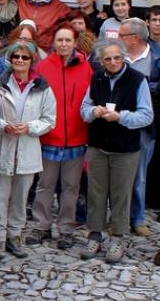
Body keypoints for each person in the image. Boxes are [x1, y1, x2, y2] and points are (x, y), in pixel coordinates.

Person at [79, 40, 153, 263]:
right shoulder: (97, 78)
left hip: (125, 147)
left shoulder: (137, 80)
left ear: (124, 58)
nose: (112, 62)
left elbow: (147, 115)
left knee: (121, 195)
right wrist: (94, 111)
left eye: (116, 57)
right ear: (101, 61)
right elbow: (84, 109)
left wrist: (121, 117)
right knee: (96, 192)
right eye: (107, 59)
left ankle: (118, 237)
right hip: (98, 145)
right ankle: (95, 234)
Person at [26, 24, 92, 249]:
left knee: (71, 187)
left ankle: (66, 228)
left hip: (76, 137)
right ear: (54, 42)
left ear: (75, 42)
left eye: (68, 40)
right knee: (45, 185)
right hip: (49, 137)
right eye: (60, 40)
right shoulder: (44, 67)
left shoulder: (86, 68)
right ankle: (41, 225)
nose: (63, 44)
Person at [0, 41, 56, 259]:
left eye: (24, 57)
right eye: (16, 56)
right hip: (3, 146)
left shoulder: (42, 88)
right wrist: (3, 126)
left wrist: (29, 127)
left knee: (20, 197)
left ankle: (15, 235)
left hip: (27, 148)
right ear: (10, 59)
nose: (19, 60)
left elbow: (49, 119)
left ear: (32, 60)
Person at [118, 18, 156, 236]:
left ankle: (137, 217)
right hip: (116, 123)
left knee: (138, 175)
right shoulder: (117, 57)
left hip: (144, 127)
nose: (118, 38)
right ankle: (118, 216)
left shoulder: (155, 59)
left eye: (122, 35)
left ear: (134, 39)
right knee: (117, 176)